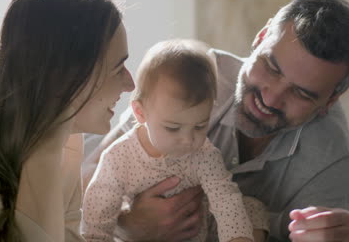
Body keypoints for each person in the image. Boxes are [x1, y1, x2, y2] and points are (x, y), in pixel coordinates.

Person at [83, 0, 349, 242]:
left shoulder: (332, 156)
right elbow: (87, 179)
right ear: (260, 37)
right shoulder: (194, 77)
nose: (269, 99)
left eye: (301, 94)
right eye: (271, 67)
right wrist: (130, 223)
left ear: (329, 101)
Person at [0, 0, 135, 241]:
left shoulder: (67, 139)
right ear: (68, 76)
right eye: (118, 68)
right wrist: (48, 139)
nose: (130, 84)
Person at [82, 39, 269, 242]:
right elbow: (97, 215)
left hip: (200, 230)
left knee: (250, 207)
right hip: (144, 236)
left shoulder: (204, 154)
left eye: (200, 126)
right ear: (140, 113)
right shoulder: (119, 158)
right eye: (172, 128)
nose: (188, 140)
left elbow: (225, 198)